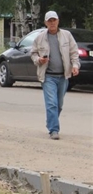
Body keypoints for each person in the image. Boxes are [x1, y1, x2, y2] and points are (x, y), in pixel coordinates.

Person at [30, 11, 80, 140]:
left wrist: (75, 66)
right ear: (46, 23)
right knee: (51, 103)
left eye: (54, 20)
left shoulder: (66, 35)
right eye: (49, 21)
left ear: (58, 21)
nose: (52, 23)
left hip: (63, 76)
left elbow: (74, 53)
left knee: (59, 104)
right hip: (48, 76)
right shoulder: (40, 37)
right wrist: (39, 60)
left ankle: (51, 122)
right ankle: (54, 130)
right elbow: (33, 53)